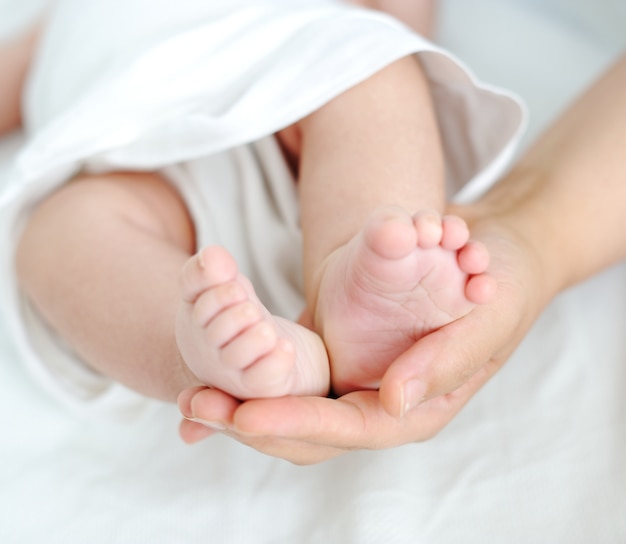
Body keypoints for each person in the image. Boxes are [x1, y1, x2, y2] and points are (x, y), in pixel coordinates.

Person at [0, 1, 518, 418]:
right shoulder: (61, 14)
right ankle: (204, 346)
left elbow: (390, 25)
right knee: (60, 232)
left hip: (295, 118)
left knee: (374, 72)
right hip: (138, 167)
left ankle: (363, 277)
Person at [178, 49, 626, 464]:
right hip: (123, 138)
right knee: (113, 229)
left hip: (274, 61)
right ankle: (199, 347)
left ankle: (355, 282)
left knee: (373, 76)